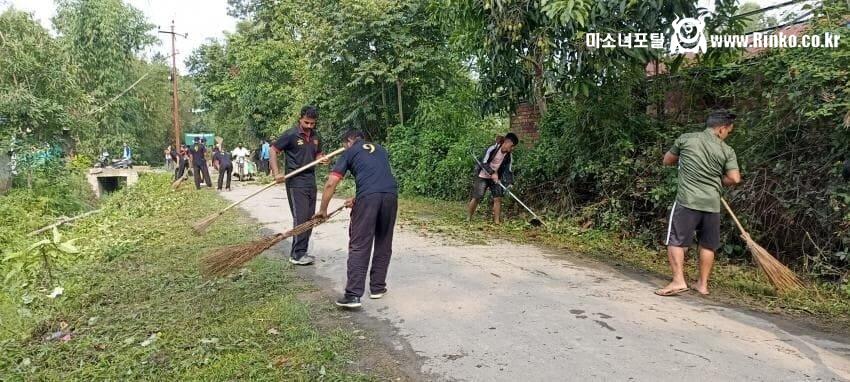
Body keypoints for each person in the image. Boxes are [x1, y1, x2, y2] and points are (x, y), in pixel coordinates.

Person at [656, 110, 742, 297]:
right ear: (721, 129)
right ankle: (702, 285)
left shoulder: (686, 139)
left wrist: (685, 163)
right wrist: (717, 181)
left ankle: (679, 280)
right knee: (707, 245)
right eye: (728, 131)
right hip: (712, 203)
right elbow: (735, 178)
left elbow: (667, 160)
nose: (727, 135)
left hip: (688, 200)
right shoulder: (727, 150)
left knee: (676, 241)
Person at [313, 129, 398, 308]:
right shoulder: (380, 149)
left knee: (359, 244)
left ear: (348, 141)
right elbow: (376, 178)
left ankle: (352, 295)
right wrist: (359, 199)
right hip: (390, 195)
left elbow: (331, 183)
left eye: (344, 145)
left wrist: (322, 210)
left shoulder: (350, 151)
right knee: (384, 242)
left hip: (370, 198)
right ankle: (377, 288)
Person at [270, 105, 328, 265]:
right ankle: (296, 255)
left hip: (311, 179)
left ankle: (302, 252)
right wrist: (277, 173)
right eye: (306, 122)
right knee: (301, 217)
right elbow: (273, 150)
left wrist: (322, 158)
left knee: (310, 218)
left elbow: (318, 153)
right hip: (295, 181)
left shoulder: (316, 136)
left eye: (312, 123)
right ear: (300, 119)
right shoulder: (290, 134)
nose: (309, 126)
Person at [467, 133, 519, 224]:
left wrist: (510, 183)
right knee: (477, 197)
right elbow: (484, 162)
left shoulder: (508, 156)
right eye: (512, 146)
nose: (513, 148)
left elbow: (509, 170)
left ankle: (497, 222)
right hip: (482, 175)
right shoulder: (492, 148)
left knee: (498, 198)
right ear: (507, 142)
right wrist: (492, 172)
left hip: (495, 178)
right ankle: (468, 218)